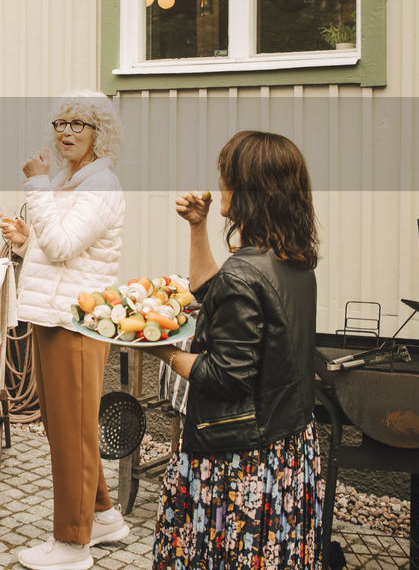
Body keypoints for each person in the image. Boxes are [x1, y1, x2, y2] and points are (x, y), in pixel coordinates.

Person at [149, 130, 322, 570]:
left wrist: (161, 349)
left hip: (242, 461)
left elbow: (226, 377)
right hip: (289, 448)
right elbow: (213, 293)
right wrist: (197, 227)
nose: (220, 184)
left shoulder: (245, 273)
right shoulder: (292, 260)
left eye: (227, 175)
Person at [0, 90, 129, 570]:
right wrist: (25, 240)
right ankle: (104, 516)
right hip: (53, 316)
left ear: (100, 132)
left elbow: (62, 245)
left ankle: (73, 545)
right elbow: (59, 250)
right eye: (60, 123)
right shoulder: (70, 180)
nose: (66, 132)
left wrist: (35, 188)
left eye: (79, 123)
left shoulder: (102, 184)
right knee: (65, 427)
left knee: (72, 430)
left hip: (76, 323)